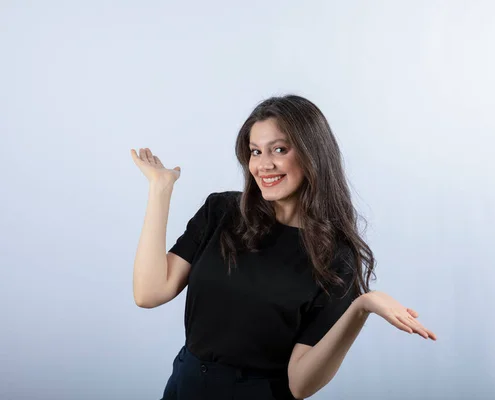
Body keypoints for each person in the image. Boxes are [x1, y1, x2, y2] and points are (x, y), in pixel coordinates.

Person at [130, 95, 436, 400]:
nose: (264, 164)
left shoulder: (335, 258)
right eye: (255, 151)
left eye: (279, 149)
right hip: (186, 387)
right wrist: (160, 188)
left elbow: (300, 384)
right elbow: (149, 293)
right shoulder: (221, 211)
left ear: (312, 154)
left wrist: (361, 307)